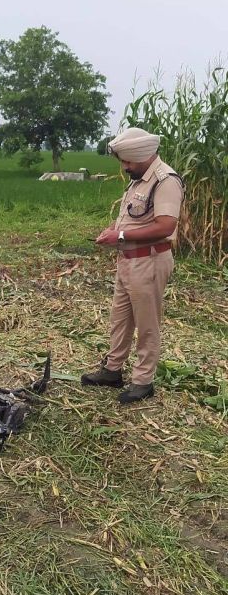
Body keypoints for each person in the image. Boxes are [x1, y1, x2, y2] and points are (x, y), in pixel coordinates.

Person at [81, 127, 184, 404]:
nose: (125, 167)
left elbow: (165, 226)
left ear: (144, 155)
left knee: (147, 323)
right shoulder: (139, 179)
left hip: (149, 262)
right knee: (120, 319)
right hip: (128, 261)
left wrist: (122, 236)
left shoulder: (166, 181)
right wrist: (114, 231)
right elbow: (134, 219)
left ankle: (143, 381)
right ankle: (112, 371)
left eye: (128, 162)